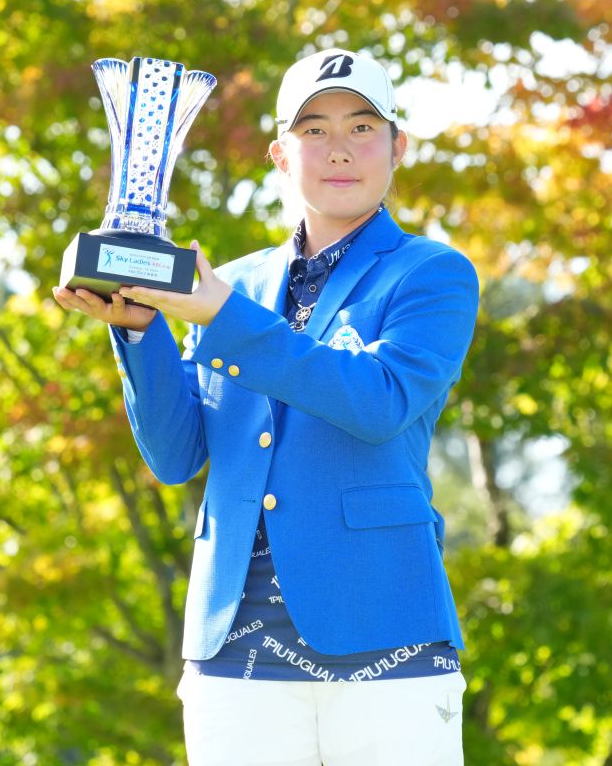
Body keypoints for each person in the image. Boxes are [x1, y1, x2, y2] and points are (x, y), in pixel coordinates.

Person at [53, 47, 479, 766]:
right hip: (232, 652)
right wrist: (140, 331)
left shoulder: (432, 273)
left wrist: (218, 311)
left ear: (397, 147)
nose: (338, 150)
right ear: (282, 155)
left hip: (386, 633)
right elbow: (176, 454)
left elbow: (379, 404)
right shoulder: (234, 284)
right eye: (314, 131)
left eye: (362, 127)